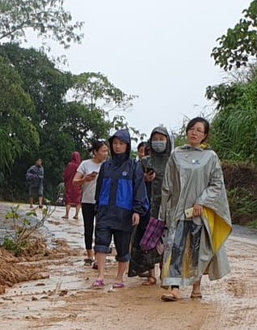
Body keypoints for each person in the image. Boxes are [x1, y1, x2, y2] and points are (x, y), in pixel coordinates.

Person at [160, 117, 232, 301]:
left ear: (205, 135)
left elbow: (216, 184)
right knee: (175, 248)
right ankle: (174, 287)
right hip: (178, 211)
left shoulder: (210, 157)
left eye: (199, 130)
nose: (194, 132)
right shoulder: (176, 155)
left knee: (196, 250)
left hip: (200, 212)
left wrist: (202, 201)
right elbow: (167, 185)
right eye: (191, 128)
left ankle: (196, 286)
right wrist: (164, 212)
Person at [91, 128, 149, 290]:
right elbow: (99, 188)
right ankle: (100, 275)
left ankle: (119, 277)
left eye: (121, 143)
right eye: (115, 143)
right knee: (101, 243)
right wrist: (98, 206)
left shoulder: (134, 166)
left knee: (123, 247)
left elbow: (139, 189)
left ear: (127, 145)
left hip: (125, 213)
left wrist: (137, 211)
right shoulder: (106, 166)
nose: (117, 146)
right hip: (105, 211)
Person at [129, 126, 173, 284]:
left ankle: (164, 272)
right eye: (155, 139)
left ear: (167, 141)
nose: (158, 142)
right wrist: (145, 179)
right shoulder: (144, 162)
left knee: (165, 240)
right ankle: (150, 274)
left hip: (167, 206)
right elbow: (134, 183)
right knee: (147, 240)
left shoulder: (173, 161)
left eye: (161, 139)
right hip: (147, 207)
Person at [73, 139, 108, 266]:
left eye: (106, 151)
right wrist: (85, 179)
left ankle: (99, 257)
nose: (105, 154)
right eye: (103, 151)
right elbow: (74, 181)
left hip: (103, 202)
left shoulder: (108, 165)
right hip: (87, 201)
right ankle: (89, 255)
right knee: (88, 228)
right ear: (95, 152)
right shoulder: (85, 164)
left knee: (101, 229)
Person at [62, 151, 83, 219]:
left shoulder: (70, 165)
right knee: (78, 201)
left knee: (68, 200)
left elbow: (66, 175)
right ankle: (76, 215)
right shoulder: (81, 165)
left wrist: (66, 182)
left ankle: (67, 214)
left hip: (70, 185)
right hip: (78, 185)